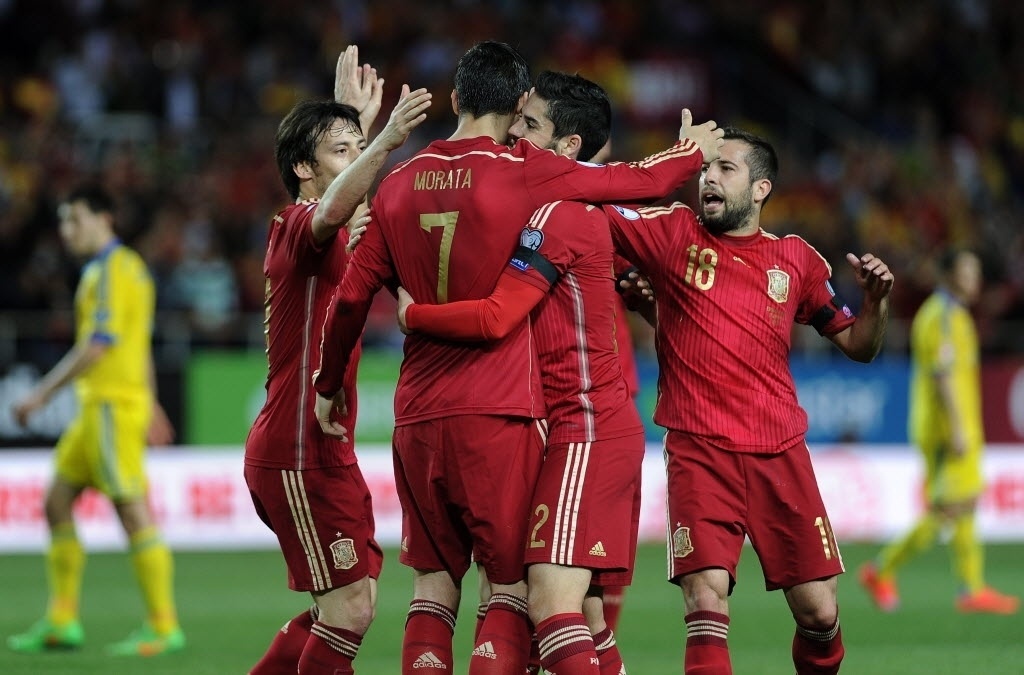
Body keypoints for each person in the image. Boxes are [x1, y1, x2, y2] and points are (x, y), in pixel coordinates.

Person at [312, 40, 722, 675]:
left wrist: (329, 382)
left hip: (416, 416)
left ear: (455, 98)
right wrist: (692, 150)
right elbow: (641, 181)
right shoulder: (526, 172)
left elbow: (348, 301)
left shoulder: (395, 185)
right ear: (519, 103)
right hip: (500, 413)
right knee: (509, 588)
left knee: (431, 588)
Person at [395, 69, 681, 674]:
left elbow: (497, 315)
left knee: (545, 604)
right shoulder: (536, 206)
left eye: (530, 125)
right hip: (555, 425)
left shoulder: (561, 214)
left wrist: (412, 313)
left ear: (568, 146)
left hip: (584, 425)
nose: (514, 135)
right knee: (584, 616)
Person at [603, 127, 895, 674]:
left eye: (724, 168)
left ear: (761, 189)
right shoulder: (672, 231)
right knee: (706, 599)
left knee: (819, 613)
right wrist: (672, 160)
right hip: (698, 450)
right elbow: (593, 207)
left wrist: (876, 303)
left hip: (778, 452)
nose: (708, 178)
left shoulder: (796, 260)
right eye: (705, 169)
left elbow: (860, 346)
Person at [243, 45, 432, 675]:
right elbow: (334, 209)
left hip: (324, 444)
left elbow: (356, 211)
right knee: (349, 608)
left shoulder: (342, 229)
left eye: (357, 149)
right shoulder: (297, 227)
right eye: (339, 151)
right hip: (297, 445)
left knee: (352, 603)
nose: (358, 157)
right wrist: (382, 139)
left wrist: (352, 124)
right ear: (303, 168)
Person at [8, 184, 184, 657]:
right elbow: (138, 342)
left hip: (109, 406)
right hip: (101, 409)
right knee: (56, 502)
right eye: (64, 222)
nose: (68, 231)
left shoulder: (110, 270)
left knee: (131, 509)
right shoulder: (125, 270)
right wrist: (152, 402)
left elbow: (99, 345)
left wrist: (40, 395)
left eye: (76, 220)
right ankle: (62, 621)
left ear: (104, 218)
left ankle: (164, 626)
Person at [859, 248, 1019, 615]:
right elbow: (943, 375)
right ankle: (881, 569)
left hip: (954, 425)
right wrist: (958, 428)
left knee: (965, 503)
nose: (975, 278)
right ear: (949, 275)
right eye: (968, 271)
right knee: (949, 507)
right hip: (947, 428)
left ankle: (971, 588)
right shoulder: (942, 315)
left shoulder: (955, 314)